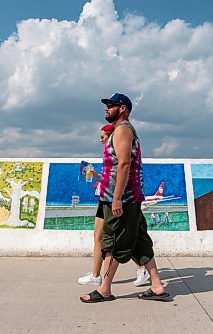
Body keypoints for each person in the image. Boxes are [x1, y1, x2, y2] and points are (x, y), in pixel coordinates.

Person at [80, 93, 169, 303]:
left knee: (114, 242)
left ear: (123, 109)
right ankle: (156, 286)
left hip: (122, 199)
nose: (106, 108)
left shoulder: (123, 130)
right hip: (122, 198)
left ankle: (104, 289)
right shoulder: (120, 131)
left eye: (111, 105)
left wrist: (117, 198)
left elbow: (124, 164)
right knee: (140, 242)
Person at [78, 124, 150, 286]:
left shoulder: (120, 146)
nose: (100, 139)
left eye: (103, 136)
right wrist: (97, 176)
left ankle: (138, 270)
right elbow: (111, 174)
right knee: (100, 237)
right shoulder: (109, 153)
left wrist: (117, 198)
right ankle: (97, 276)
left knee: (126, 239)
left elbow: (122, 171)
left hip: (119, 201)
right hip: (107, 199)